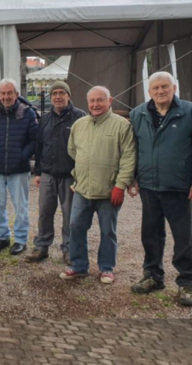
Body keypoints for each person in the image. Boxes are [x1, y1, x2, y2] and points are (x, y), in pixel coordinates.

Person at [127, 72, 192, 308]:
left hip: (178, 186)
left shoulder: (191, 112)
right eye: (155, 88)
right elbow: (134, 148)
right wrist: (134, 177)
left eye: (165, 87)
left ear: (174, 87)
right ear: (149, 91)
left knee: (183, 236)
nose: (160, 91)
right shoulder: (138, 114)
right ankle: (153, 275)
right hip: (149, 186)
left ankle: (186, 282)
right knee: (150, 234)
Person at [59, 86, 136, 284]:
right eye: (92, 101)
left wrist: (120, 184)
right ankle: (79, 266)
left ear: (110, 101)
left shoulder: (122, 126)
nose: (95, 104)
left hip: (109, 192)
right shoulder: (79, 125)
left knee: (108, 231)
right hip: (82, 190)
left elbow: (129, 157)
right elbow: (73, 151)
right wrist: (82, 174)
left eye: (100, 100)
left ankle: (107, 268)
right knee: (75, 227)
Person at [0, 78, 39, 256]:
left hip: (19, 170)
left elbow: (35, 139)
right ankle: (3, 237)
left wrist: (22, 155)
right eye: (3, 93)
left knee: (21, 206)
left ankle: (20, 239)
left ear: (16, 94)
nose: (6, 97)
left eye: (9, 93)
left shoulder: (28, 113)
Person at [27, 81, 86, 265]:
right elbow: (39, 145)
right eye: (54, 94)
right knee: (45, 212)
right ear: (50, 97)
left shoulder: (79, 117)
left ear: (69, 95)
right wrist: (38, 172)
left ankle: (69, 249)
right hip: (48, 175)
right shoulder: (44, 119)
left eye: (62, 93)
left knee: (70, 215)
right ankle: (42, 246)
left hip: (70, 175)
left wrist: (81, 175)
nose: (58, 96)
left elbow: (85, 148)